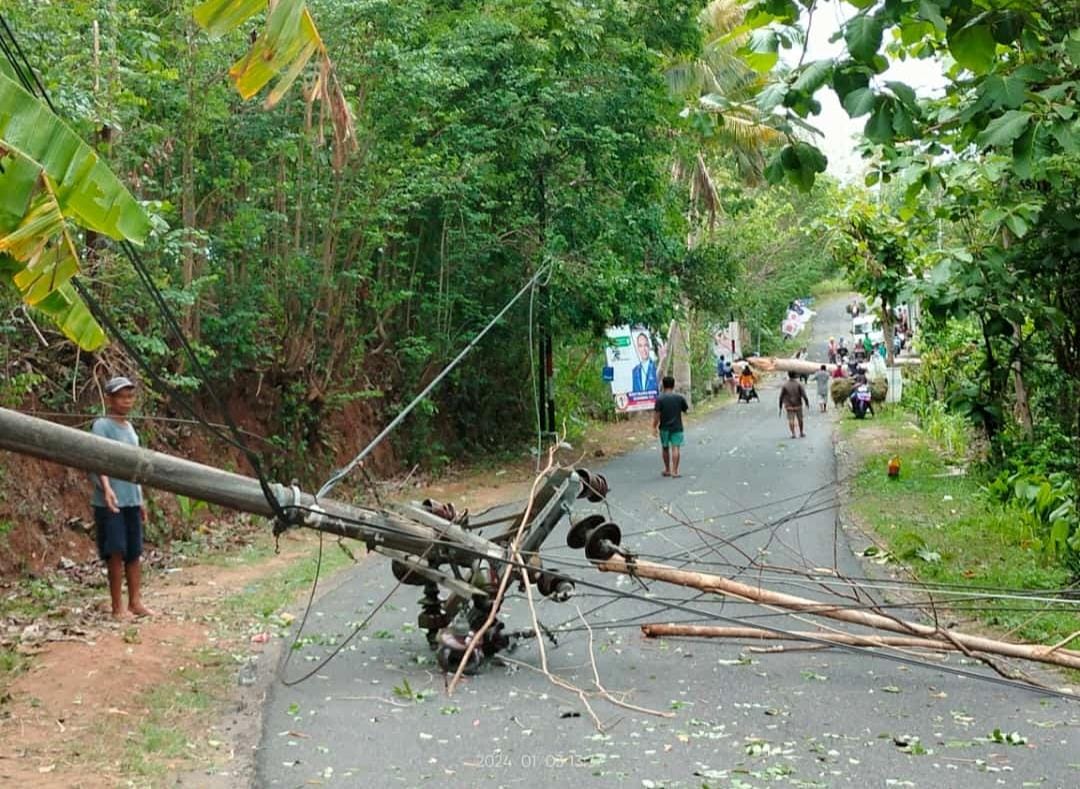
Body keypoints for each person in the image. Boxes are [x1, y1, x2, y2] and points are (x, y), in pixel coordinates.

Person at [90, 377, 153, 619]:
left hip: (131, 499)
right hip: (110, 501)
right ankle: (118, 607)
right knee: (115, 552)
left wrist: (140, 500)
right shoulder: (102, 426)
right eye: (121, 397)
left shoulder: (130, 429)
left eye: (130, 397)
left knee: (134, 552)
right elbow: (98, 459)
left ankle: (135, 602)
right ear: (110, 399)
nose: (127, 401)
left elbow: (135, 467)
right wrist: (106, 489)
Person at [652, 376, 689, 478]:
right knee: (675, 448)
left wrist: (654, 426)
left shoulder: (660, 399)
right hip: (677, 427)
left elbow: (657, 415)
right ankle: (675, 471)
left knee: (665, 448)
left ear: (663, 385)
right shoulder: (679, 398)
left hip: (664, 428)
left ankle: (667, 469)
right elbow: (686, 411)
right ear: (674, 385)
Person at [778, 371, 810, 438]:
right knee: (800, 419)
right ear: (795, 375)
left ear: (788, 375)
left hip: (789, 406)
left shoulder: (785, 385)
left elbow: (781, 396)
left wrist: (780, 406)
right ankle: (801, 432)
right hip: (798, 405)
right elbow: (804, 395)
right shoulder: (799, 384)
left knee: (791, 420)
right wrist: (807, 403)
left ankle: (793, 434)